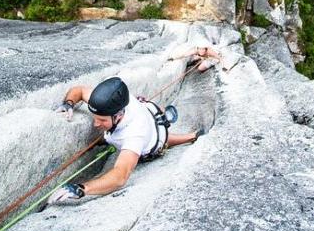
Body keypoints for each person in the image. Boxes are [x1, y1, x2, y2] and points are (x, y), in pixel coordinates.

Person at [47, 77, 203, 204]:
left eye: (101, 120)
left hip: (153, 139)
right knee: (111, 136)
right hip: (145, 109)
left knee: (162, 140)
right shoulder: (105, 103)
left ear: (119, 115)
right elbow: (79, 90)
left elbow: (120, 176)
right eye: (95, 117)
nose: (95, 123)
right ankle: (165, 116)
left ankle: (191, 136)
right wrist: (68, 104)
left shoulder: (135, 135)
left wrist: (81, 189)